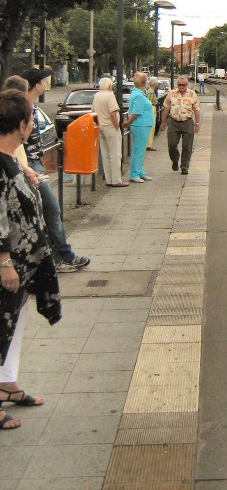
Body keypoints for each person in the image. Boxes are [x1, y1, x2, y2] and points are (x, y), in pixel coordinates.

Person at [0, 89, 62, 430]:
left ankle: (8, 384)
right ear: (23, 125)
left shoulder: (10, 160)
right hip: (9, 264)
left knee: (13, 322)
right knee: (0, 323)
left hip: (23, 264)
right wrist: (5, 261)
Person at [20, 68, 90, 273]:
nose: (46, 84)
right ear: (37, 85)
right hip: (29, 166)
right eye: (44, 81)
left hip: (33, 164)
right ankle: (63, 256)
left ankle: (54, 257)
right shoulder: (23, 108)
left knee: (43, 212)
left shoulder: (31, 106)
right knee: (51, 209)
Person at [91, 77, 128, 187]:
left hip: (100, 127)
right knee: (115, 154)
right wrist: (117, 126)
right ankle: (116, 180)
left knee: (105, 154)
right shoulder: (110, 95)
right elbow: (113, 112)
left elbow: (93, 111)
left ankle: (108, 179)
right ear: (109, 86)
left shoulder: (97, 95)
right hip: (110, 127)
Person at [160, 75, 201, 175]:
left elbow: (197, 110)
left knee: (187, 146)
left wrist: (197, 123)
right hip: (173, 122)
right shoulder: (171, 94)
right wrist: (163, 122)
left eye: (184, 85)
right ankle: (175, 160)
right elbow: (166, 108)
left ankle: (184, 166)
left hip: (187, 122)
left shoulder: (192, 94)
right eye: (179, 85)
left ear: (187, 84)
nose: (181, 87)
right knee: (172, 144)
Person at [122, 72, 154, 183]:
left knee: (140, 150)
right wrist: (128, 122)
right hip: (141, 125)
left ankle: (140, 171)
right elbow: (136, 113)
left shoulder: (137, 93)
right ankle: (134, 173)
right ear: (145, 82)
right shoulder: (139, 96)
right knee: (138, 150)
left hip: (142, 124)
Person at [145, 77, 159, 151]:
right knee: (151, 127)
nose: (157, 85)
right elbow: (149, 102)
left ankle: (149, 144)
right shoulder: (151, 92)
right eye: (157, 83)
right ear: (154, 84)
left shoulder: (150, 91)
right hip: (151, 109)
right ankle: (149, 145)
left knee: (152, 127)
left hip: (152, 109)